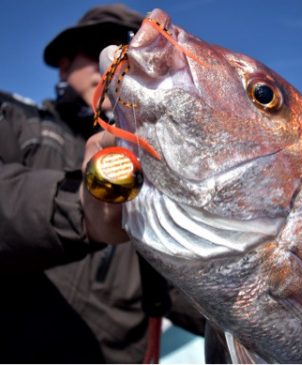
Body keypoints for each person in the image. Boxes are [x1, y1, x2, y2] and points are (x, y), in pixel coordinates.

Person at [0, 4, 204, 363]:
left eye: (128, 52)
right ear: (65, 66)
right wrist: (79, 205)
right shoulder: (14, 119)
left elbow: (191, 288)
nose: (112, 62)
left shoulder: (153, 168)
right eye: (98, 47)